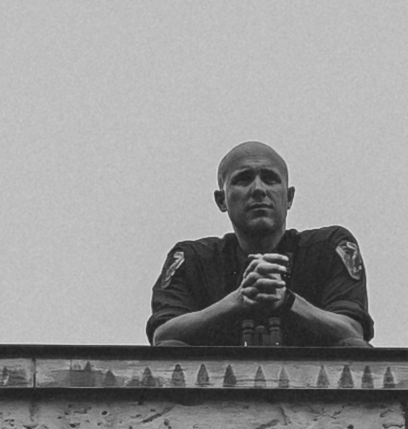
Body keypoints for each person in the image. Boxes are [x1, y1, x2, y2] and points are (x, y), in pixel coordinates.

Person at [147, 140, 372, 348]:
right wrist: (238, 299)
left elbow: (352, 332)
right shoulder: (192, 259)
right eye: (243, 179)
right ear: (221, 200)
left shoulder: (329, 248)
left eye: (270, 178)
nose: (258, 189)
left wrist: (286, 300)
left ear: (289, 197)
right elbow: (163, 336)